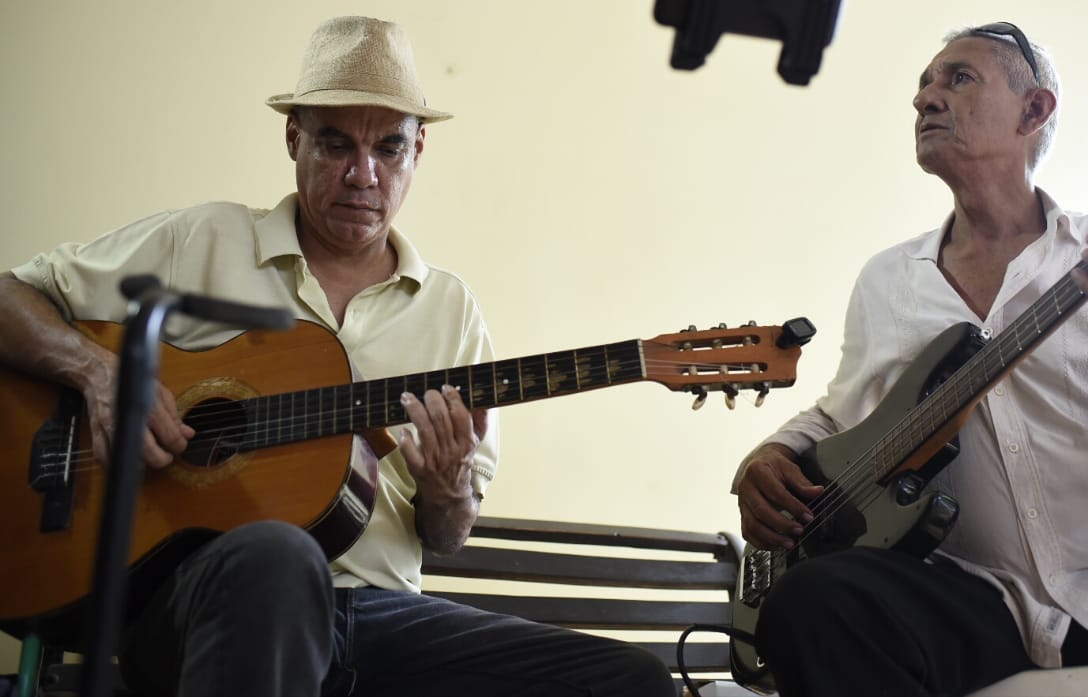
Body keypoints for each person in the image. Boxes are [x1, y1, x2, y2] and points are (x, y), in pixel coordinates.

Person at [0, 16, 672, 697]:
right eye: (334, 144)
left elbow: (446, 533)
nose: (363, 174)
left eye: (389, 148)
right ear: (293, 137)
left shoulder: (452, 311)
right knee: (279, 553)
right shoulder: (202, 239)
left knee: (634, 680)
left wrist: (447, 486)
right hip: (199, 602)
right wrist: (98, 373)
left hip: (382, 617)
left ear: (419, 151)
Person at [732, 21, 1088, 697]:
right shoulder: (888, 281)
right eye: (924, 86)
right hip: (975, 600)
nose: (927, 98)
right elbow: (838, 414)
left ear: (1035, 109)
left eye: (958, 78)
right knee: (813, 601)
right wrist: (768, 459)